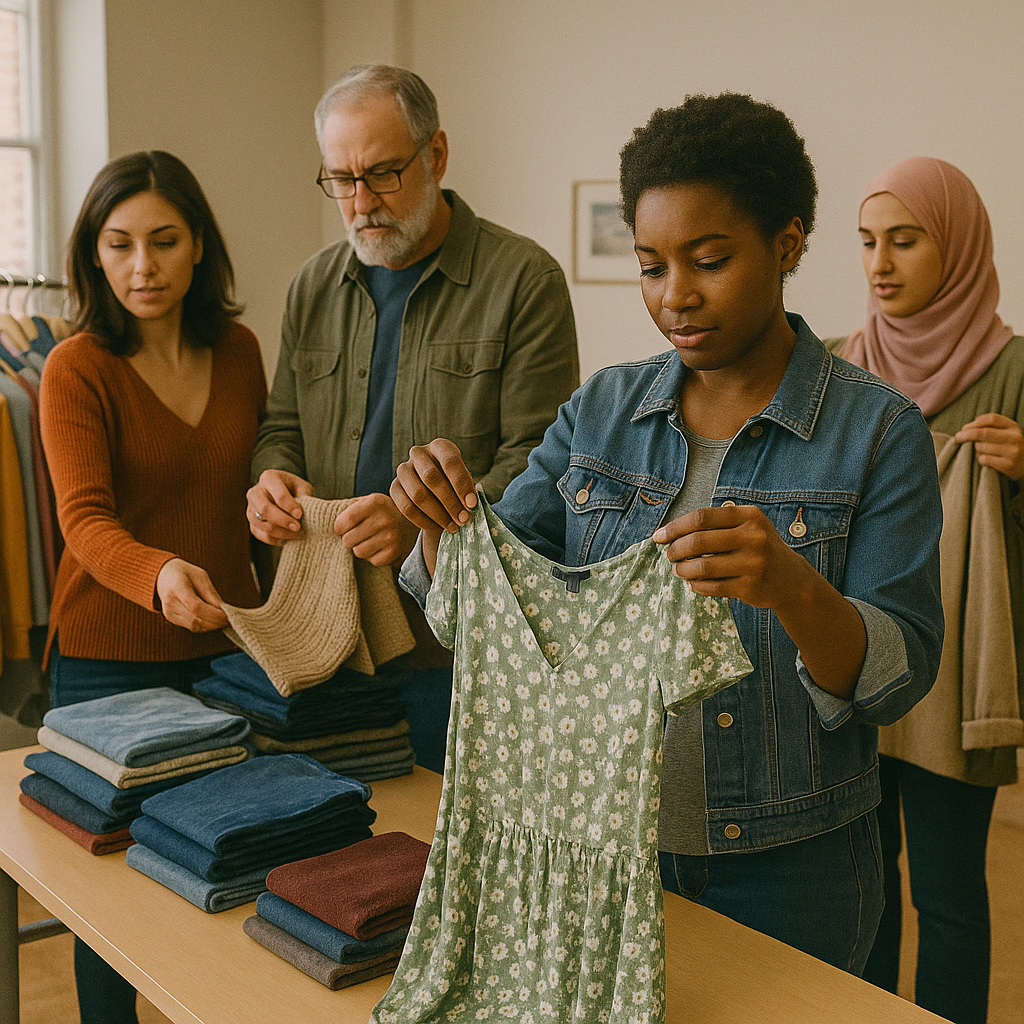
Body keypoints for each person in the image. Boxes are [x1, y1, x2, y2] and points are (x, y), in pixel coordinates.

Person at [390, 93, 945, 976]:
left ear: (789, 245)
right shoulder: (603, 411)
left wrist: (793, 587)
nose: (675, 297)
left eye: (710, 260)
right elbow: (482, 601)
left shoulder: (878, 434)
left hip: (793, 869)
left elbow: (896, 679)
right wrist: (438, 526)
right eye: (651, 266)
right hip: (600, 851)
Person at [246, 64, 579, 773]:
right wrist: (273, 477)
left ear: (436, 155)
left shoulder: (524, 280)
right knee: (328, 861)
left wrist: (420, 525)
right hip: (323, 634)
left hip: (456, 649)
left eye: (382, 173)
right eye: (339, 178)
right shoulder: (312, 286)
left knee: (445, 862)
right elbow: (281, 426)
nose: (359, 201)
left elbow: (543, 470)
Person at [39, 150, 266, 1024]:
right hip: (107, 664)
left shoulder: (240, 351)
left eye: (165, 241)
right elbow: (84, 522)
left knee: (221, 871)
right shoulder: (75, 367)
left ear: (200, 245)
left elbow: (256, 495)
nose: (144, 267)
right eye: (120, 243)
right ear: (93, 254)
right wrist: (160, 571)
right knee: (110, 902)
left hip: (225, 656)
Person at [834, 156, 1024, 1024]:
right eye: (870, 241)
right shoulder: (839, 365)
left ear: (957, 244)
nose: (881, 263)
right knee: (863, 890)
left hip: (956, 683)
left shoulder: (1014, 371)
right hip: (855, 666)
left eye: (905, 241)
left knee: (949, 898)